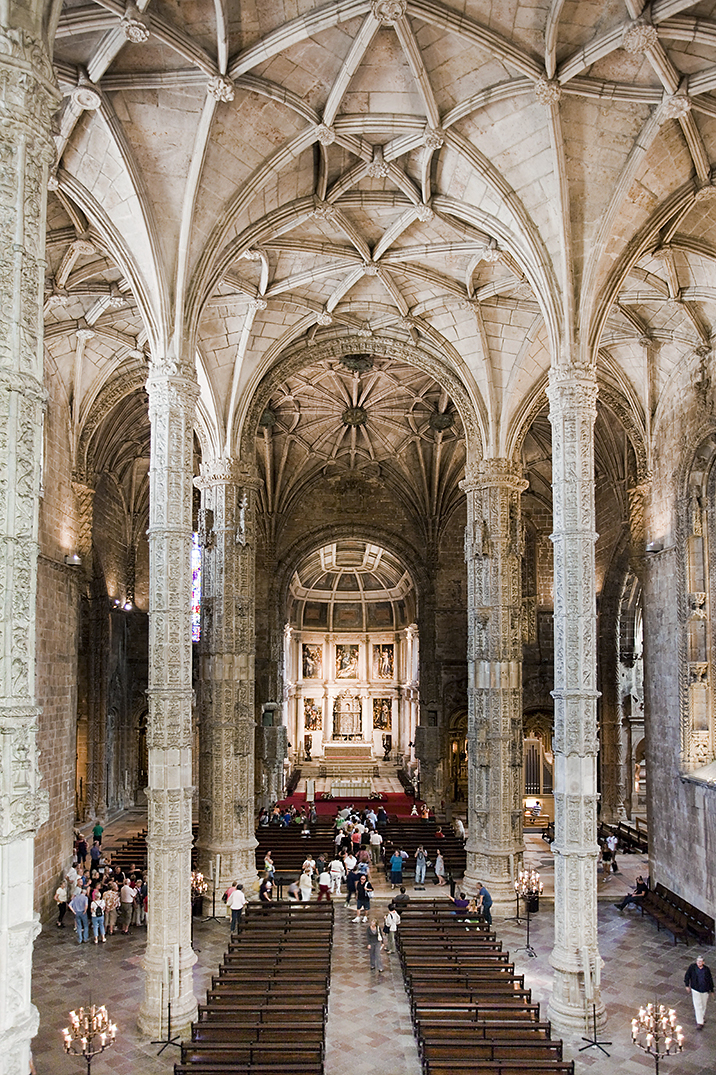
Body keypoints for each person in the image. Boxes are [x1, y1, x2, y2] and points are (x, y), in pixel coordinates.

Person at [685, 955, 714, 1029]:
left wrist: (712, 990)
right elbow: (687, 976)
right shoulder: (692, 967)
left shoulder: (706, 969)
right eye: (698, 961)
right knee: (698, 1005)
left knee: (703, 1005)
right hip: (696, 989)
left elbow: (710, 979)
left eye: (700, 961)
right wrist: (687, 985)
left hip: (705, 990)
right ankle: (700, 1022)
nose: (699, 963)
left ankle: (701, 1017)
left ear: (703, 962)